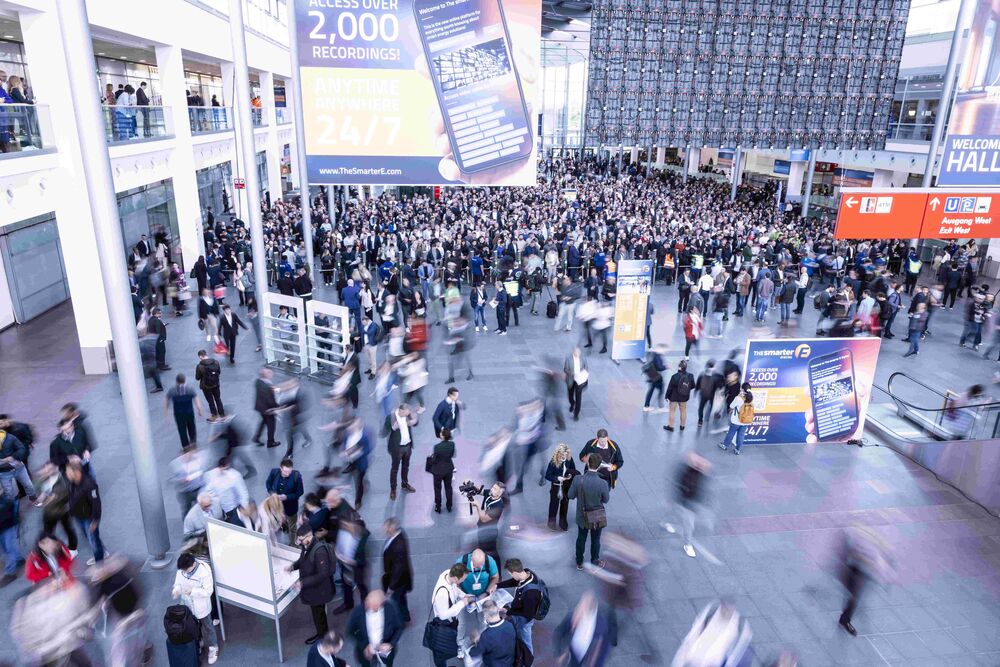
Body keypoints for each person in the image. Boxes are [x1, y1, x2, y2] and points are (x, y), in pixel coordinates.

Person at [838, 528, 894, 636]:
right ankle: (845, 619)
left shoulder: (875, 543)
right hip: (854, 566)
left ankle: (845, 619)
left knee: (853, 597)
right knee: (852, 596)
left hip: (861, 570)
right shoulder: (862, 536)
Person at [290, 524, 336, 645]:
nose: (299, 542)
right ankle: (321, 634)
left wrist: (302, 583)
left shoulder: (319, 551)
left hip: (319, 591)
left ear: (309, 537)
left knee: (319, 615)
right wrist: (292, 566)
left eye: (301, 539)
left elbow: (322, 574)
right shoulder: (307, 545)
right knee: (317, 614)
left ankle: (323, 637)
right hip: (314, 590)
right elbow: (302, 560)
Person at [663, 451, 713, 559]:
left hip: (691, 502)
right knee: (689, 525)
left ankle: (666, 522)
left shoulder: (700, 473)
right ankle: (687, 544)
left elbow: (700, 487)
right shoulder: (687, 472)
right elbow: (681, 486)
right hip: (685, 502)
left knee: (676, 514)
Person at [171, 552, 218, 665]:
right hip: (187, 605)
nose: (183, 572)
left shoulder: (204, 572)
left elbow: (208, 591)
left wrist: (192, 591)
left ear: (191, 565)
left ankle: (213, 647)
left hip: (201, 606)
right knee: (193, 626)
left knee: (207, 626)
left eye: (185, 570)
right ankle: (199, 642)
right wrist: (176, 589)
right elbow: (178, 582)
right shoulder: (182, 569)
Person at [553, 590, 616, 667]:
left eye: (580, 609)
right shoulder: (572, 617)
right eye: (579, 606)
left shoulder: (602, 628)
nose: (577, 610)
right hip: (572, 654)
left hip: (587, 659)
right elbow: (559, 632)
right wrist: (559, 653)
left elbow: (602, 653)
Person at [568, 454, 610, 570]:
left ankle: (579, 562)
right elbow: (606, 500)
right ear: (599, 466)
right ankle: (594, 560)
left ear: (588, 463)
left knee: (581, 538)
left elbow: (570, 495)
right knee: (596, 539)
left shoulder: (578, 479)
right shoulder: (602, 483)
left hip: (582, 515)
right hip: (597, 516)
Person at [498, 558, 546, 655]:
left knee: (526, 642)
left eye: (510, 574)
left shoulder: (530, 593)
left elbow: (527, 615)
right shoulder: (528, 574)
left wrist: (508, 611)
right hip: (521, 607)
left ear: (515, 572)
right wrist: (498, 585)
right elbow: (515, 582)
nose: (511, 576)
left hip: (524, 621)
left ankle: (528, 661)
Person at [345, 589, 404, 667]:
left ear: (381, 605)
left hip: (385, 652)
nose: (367, 606)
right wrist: (364, 645)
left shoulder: (390, 609)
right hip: (366, 654)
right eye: (367, 603)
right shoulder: (358, 611)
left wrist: (390, 644)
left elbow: (399, 627)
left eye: (372, 605)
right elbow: (350, 631)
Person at [429, 563, 473, 667]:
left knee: (445, 648)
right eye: (462, 579)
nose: (463, 581)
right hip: (444, 624)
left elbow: (454, 588)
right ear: (455, 578)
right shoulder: (442, 593)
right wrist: (462, 603)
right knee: (441, 652)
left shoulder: (448, 573)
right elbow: (443, 615)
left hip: (451, 621)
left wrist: (463, 595)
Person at [65, 460, 106, 565]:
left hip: (89, 518)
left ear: (77, 472)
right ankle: (102, 553)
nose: (67, 475)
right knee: (91, 538)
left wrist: (95, 520)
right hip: (79, 516)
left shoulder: (89, 484)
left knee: (93, 541)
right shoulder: (72, 482)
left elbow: (96, 504)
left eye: (69, 473)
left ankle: (100, 564)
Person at [381, 517, 413, 623]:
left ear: (391, 528)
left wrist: (391, 586)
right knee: (401, 599)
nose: (384, 530)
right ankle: (405, 616)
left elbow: (398, 568)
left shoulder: (399, 545)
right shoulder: (397, 534)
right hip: (401, 578)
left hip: (399, 581)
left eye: (386, 528)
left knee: (396, 601)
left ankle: (400, 621)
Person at [383, 403, 417, 500]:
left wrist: (414, 419)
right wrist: (393, 428)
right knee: (395, 469)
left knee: (406, 466)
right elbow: (383, 432)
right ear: (401, 411)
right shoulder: (391, 418)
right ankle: (393, 489)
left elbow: (415, 423)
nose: (408, 414)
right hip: (397, 449)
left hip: (408, 446)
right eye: (406, 413)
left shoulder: (407, 415)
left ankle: (404, 484)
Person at [469, 599, 517, 667]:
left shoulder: (486, 636)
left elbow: (474, 653)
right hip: (509, 663)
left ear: (485, 615)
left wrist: (476, 641)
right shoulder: (510, 625)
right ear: (498, 610)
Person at [202, 456, 249, 524]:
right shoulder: (210, 475)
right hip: (219, 510)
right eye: (222, 469)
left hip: (233, 509)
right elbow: (207, 490)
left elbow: (243, 492)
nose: (223, 471)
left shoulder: (235, 475)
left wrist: (244, 506)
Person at [165, 373, 203, 449]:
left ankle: (185, 446)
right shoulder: (190, 389)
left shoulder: (172, 391)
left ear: (176, 381)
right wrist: (200, 410)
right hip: (189, 413)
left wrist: (167, 415)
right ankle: (193, 442)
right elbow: (197, 401)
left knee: (182, 430)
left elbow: (167, 403)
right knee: (191, 428)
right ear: (185, 380)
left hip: (178, 414)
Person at [544, 444, 577, 531]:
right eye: (562, 454)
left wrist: (570, 475)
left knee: (565, 505)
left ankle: (563, 523)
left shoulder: (569, 460)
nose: (564, 456)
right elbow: (547, 475)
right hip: (556, 486)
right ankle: (551, 522)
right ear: (558, 453)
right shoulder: (553, 462)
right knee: (554, 505)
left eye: (566, 454)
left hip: (566, 486)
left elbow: (574, 470)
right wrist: (557, 478)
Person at [719, 382, 754, 455]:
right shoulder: (752, 398)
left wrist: (738, 396)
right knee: (741, 435)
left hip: (736, 420)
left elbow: (731, 406)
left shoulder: (738, 398)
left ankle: (725, 445)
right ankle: (737, 450)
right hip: (746, 421)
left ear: (742, 389)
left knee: (731, 433)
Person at [429, 427, 456, 513]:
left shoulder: (437, 447)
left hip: (438, 471)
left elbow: (434, 460)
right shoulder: (452, 444)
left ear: (443, 437)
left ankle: (438, 506)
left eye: (441, 433)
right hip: (448, 469)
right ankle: (449, 506)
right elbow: (452, 455)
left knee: (437, 489)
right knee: (448, 487)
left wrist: (432, 457)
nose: (440, 434)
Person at [664, 359, 695, 432]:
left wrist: (666, 396)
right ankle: (682, 426)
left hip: (674, 397)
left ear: (679, 367)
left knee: (672, 411)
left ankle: (671, 427)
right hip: (684, 397)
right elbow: (693, 386)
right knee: (683, 411)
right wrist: (685, 389)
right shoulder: (690, 376)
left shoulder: (674, 376)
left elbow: (670, 388)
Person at [253, 367, 281, 449]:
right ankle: (271, 442)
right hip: (268, 409)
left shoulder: (258, 381)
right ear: (267, 375)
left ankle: (257, 437)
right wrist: (278, 407)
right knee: (271, 425)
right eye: (270, 373)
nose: (271, 374)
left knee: (264, 421)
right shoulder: (267, 387)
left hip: (260, 408)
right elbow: (270, 401)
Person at [195, 349, 225, 421]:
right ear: (206, 354)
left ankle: (214, 416)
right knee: (218, 399)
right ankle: (222, 414)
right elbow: (219, 372)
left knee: (210, 401)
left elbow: (197, 378)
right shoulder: (216, 362)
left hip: (206, 386)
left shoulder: (199, 366)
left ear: (200, 356)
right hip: (216, 384)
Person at [0, 494, 22, 586]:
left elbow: (10, 505)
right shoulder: (3, 499)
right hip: (6, 525)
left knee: (8, 549)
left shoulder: (3, 500)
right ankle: (19, 559)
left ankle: (10, 573)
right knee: (8, 548)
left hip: (5, 525)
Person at [564, 346, 589, 421]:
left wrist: (583, 373)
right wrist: (573, 373)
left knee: (579, 398)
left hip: (580, 381)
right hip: (571, 380)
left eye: (579, 352)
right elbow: (565, 369)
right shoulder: (568, 359)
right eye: (576, 352)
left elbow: (586, 368)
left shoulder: (583, 358)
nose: (578, 354)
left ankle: (576, 414)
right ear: (573, 352)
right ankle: (572, 403)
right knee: (570, 396)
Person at [642, 346, 667, 412]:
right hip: (657, 377)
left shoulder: (653, 355)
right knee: (661, 390)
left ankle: (646, 406)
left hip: (653, 376)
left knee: (651, 390)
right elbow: (659, 367)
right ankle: (660, 407)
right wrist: (665, 367)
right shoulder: (657, 357)